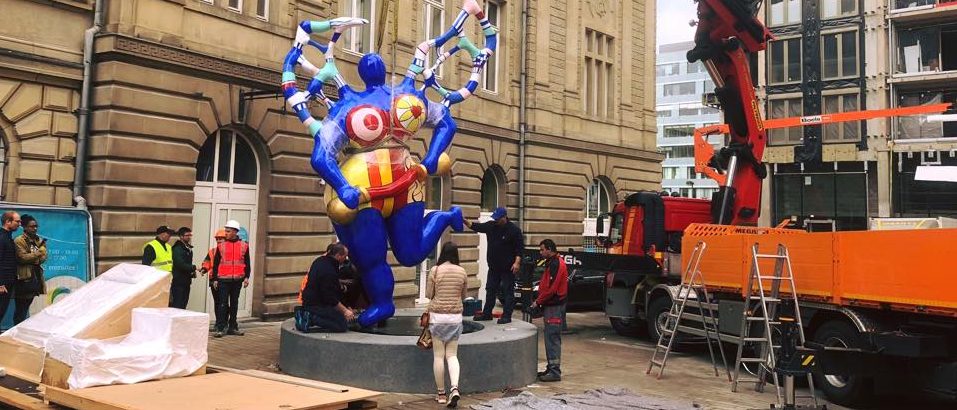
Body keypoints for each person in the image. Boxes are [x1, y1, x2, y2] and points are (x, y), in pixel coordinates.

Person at [426, 242, 468, 407]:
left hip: (437, 317)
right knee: (452, 355)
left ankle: (441, 394)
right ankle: (455, 388)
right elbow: (463, 295)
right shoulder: (462, 272)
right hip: (455, 317)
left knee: (438, 356)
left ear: (442, 254)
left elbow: (429, 294)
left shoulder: (435, 270)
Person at [465, 207, 523, 324]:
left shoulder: (514, 230)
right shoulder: (491, 226)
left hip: (508, 268)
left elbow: (519, 249)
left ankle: (507, 316)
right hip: (493, 267)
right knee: (490, 290)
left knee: (508, 292)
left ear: (504, 217)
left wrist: (517, 263)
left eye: (498, 219)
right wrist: (463, 220)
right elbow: (475, 226)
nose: (496, 221)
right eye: (495, 218)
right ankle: (487, 314)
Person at [531, 239, 568, 382]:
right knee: (550, 337)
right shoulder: (552, 263)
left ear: (549, 249)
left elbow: (552, 288)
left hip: (554, 306)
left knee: (552, 337)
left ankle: (554, 371)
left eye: (542, 250)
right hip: (551, 305)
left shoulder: (556, 264)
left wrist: (538, 302)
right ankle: (551, 367)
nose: (540, 253)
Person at [296, 243, 355, 333]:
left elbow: (332, 286)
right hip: (317, 305)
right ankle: (310, 318)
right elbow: (330, 297)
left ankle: (307, 313)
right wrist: (345, 311)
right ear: (338, 255)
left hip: (309, 301)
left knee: (340, 315)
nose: (346, 259)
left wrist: (347, 306)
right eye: (345, 256)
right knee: (341, 324)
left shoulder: (320, 261)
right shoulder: (329, 271)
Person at [211, 220, 251, 337]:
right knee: (222, 304)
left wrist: (247, 277)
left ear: (235, 232)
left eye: (228, 231)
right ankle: (220, 327)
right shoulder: (221, 246)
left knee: (234, 304)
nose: (226, 233)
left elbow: (247, 262)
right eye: (226, 231)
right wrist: (214, 279)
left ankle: (233, 327)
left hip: (237, 280)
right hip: (223, 279)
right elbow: (216, 263)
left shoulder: (244, 246)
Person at [13, 214, 46, 325]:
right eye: (32, 226)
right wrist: (37, 254)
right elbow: (22, 258)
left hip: (36, 277)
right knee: (20, 309)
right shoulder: (19, 240)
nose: (35, 228)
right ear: (25, 227)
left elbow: (44, 257)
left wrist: (35, 257)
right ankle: (16, 330)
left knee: (27, 305)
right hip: (23, 278)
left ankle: (20, 329)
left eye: (36, 226)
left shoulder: (39, 240)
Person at [0, 211, 21, 327]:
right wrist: (1, 283)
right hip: (2, 285)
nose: (19, 224)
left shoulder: (7, 237)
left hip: (7, 283)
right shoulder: (2, 238)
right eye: (17, 221)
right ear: (8, 222)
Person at [201, 229, 227, 322]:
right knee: (217, 302)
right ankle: (219, 322)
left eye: (221, 239)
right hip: (214, 279)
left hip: (225, 279)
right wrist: (204, 269)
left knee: (223, 303)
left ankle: (224, 323)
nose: (219, 241)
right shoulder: (212, 251)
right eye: (217, 239)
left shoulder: (229, 251)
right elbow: (207, 262)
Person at [170, 227, 196, 309]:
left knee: (183, 303)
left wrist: (192, 272)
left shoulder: (187, 248)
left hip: (186, 280)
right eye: (187, 235)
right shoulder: (177, 248)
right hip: (178, 281)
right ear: (181, 236)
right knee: (178, 304)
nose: (189, 237)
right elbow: (180, 264)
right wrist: (193, 268)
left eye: (190, 235)